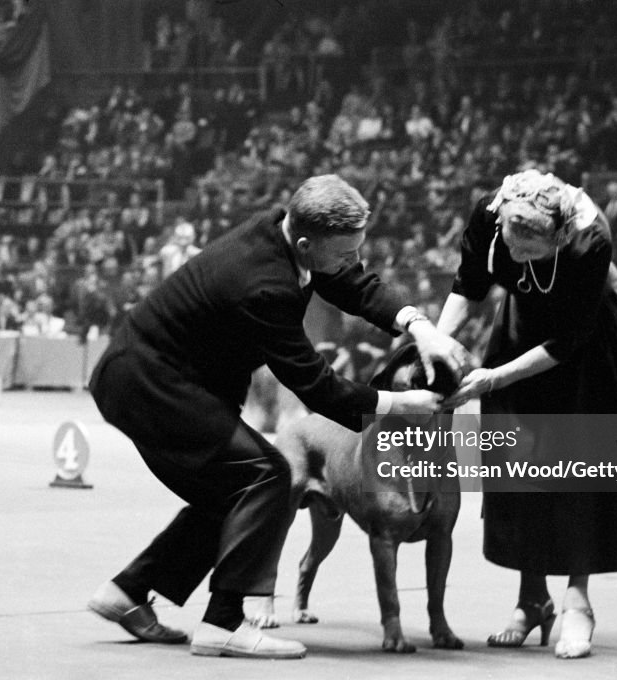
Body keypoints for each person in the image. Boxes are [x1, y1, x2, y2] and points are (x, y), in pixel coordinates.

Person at [87, 174, 469, 659]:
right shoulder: (264, 284)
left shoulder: (284, 231)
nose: (352, 263)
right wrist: (399, 404)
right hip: (149, 384)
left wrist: (420, 327)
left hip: (176, 380)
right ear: (307, 243)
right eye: (344, 253)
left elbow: (355, 284)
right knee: (267, 476)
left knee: (227, 493)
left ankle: (128, 592)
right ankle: (224, 623)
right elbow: (315, 384)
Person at [437, 170, 617, 659]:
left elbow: (569, 340)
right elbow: (469, 284)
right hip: (521, 330)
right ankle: (532, 599)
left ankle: (577, 602)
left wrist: (495, 377)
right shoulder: (489, 212)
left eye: (531, 254)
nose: (518, 261)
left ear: (559, 238)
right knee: (522, 467)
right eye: (513, 249)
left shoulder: (590, 238)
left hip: (588, 351)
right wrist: (436, 343)